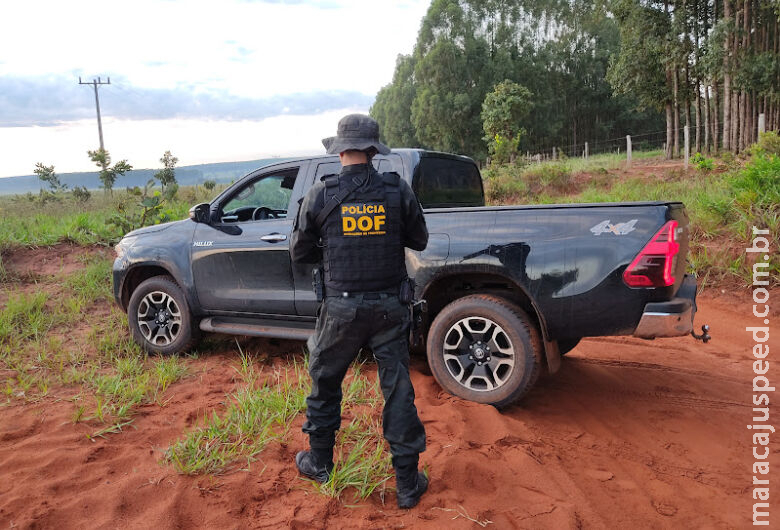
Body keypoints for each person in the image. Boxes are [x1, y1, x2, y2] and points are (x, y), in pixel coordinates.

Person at [290, 114, 429, 509]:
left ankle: (319, 462)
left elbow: (300, 252)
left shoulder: (320, 193)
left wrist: (335, 249)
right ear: (372, 149)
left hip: (341, 308)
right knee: (398, 389)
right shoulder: (395, 189)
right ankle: (406, 484)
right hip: (390, 305)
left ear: (339, 150)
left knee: (325, 380)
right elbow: (419, 238)